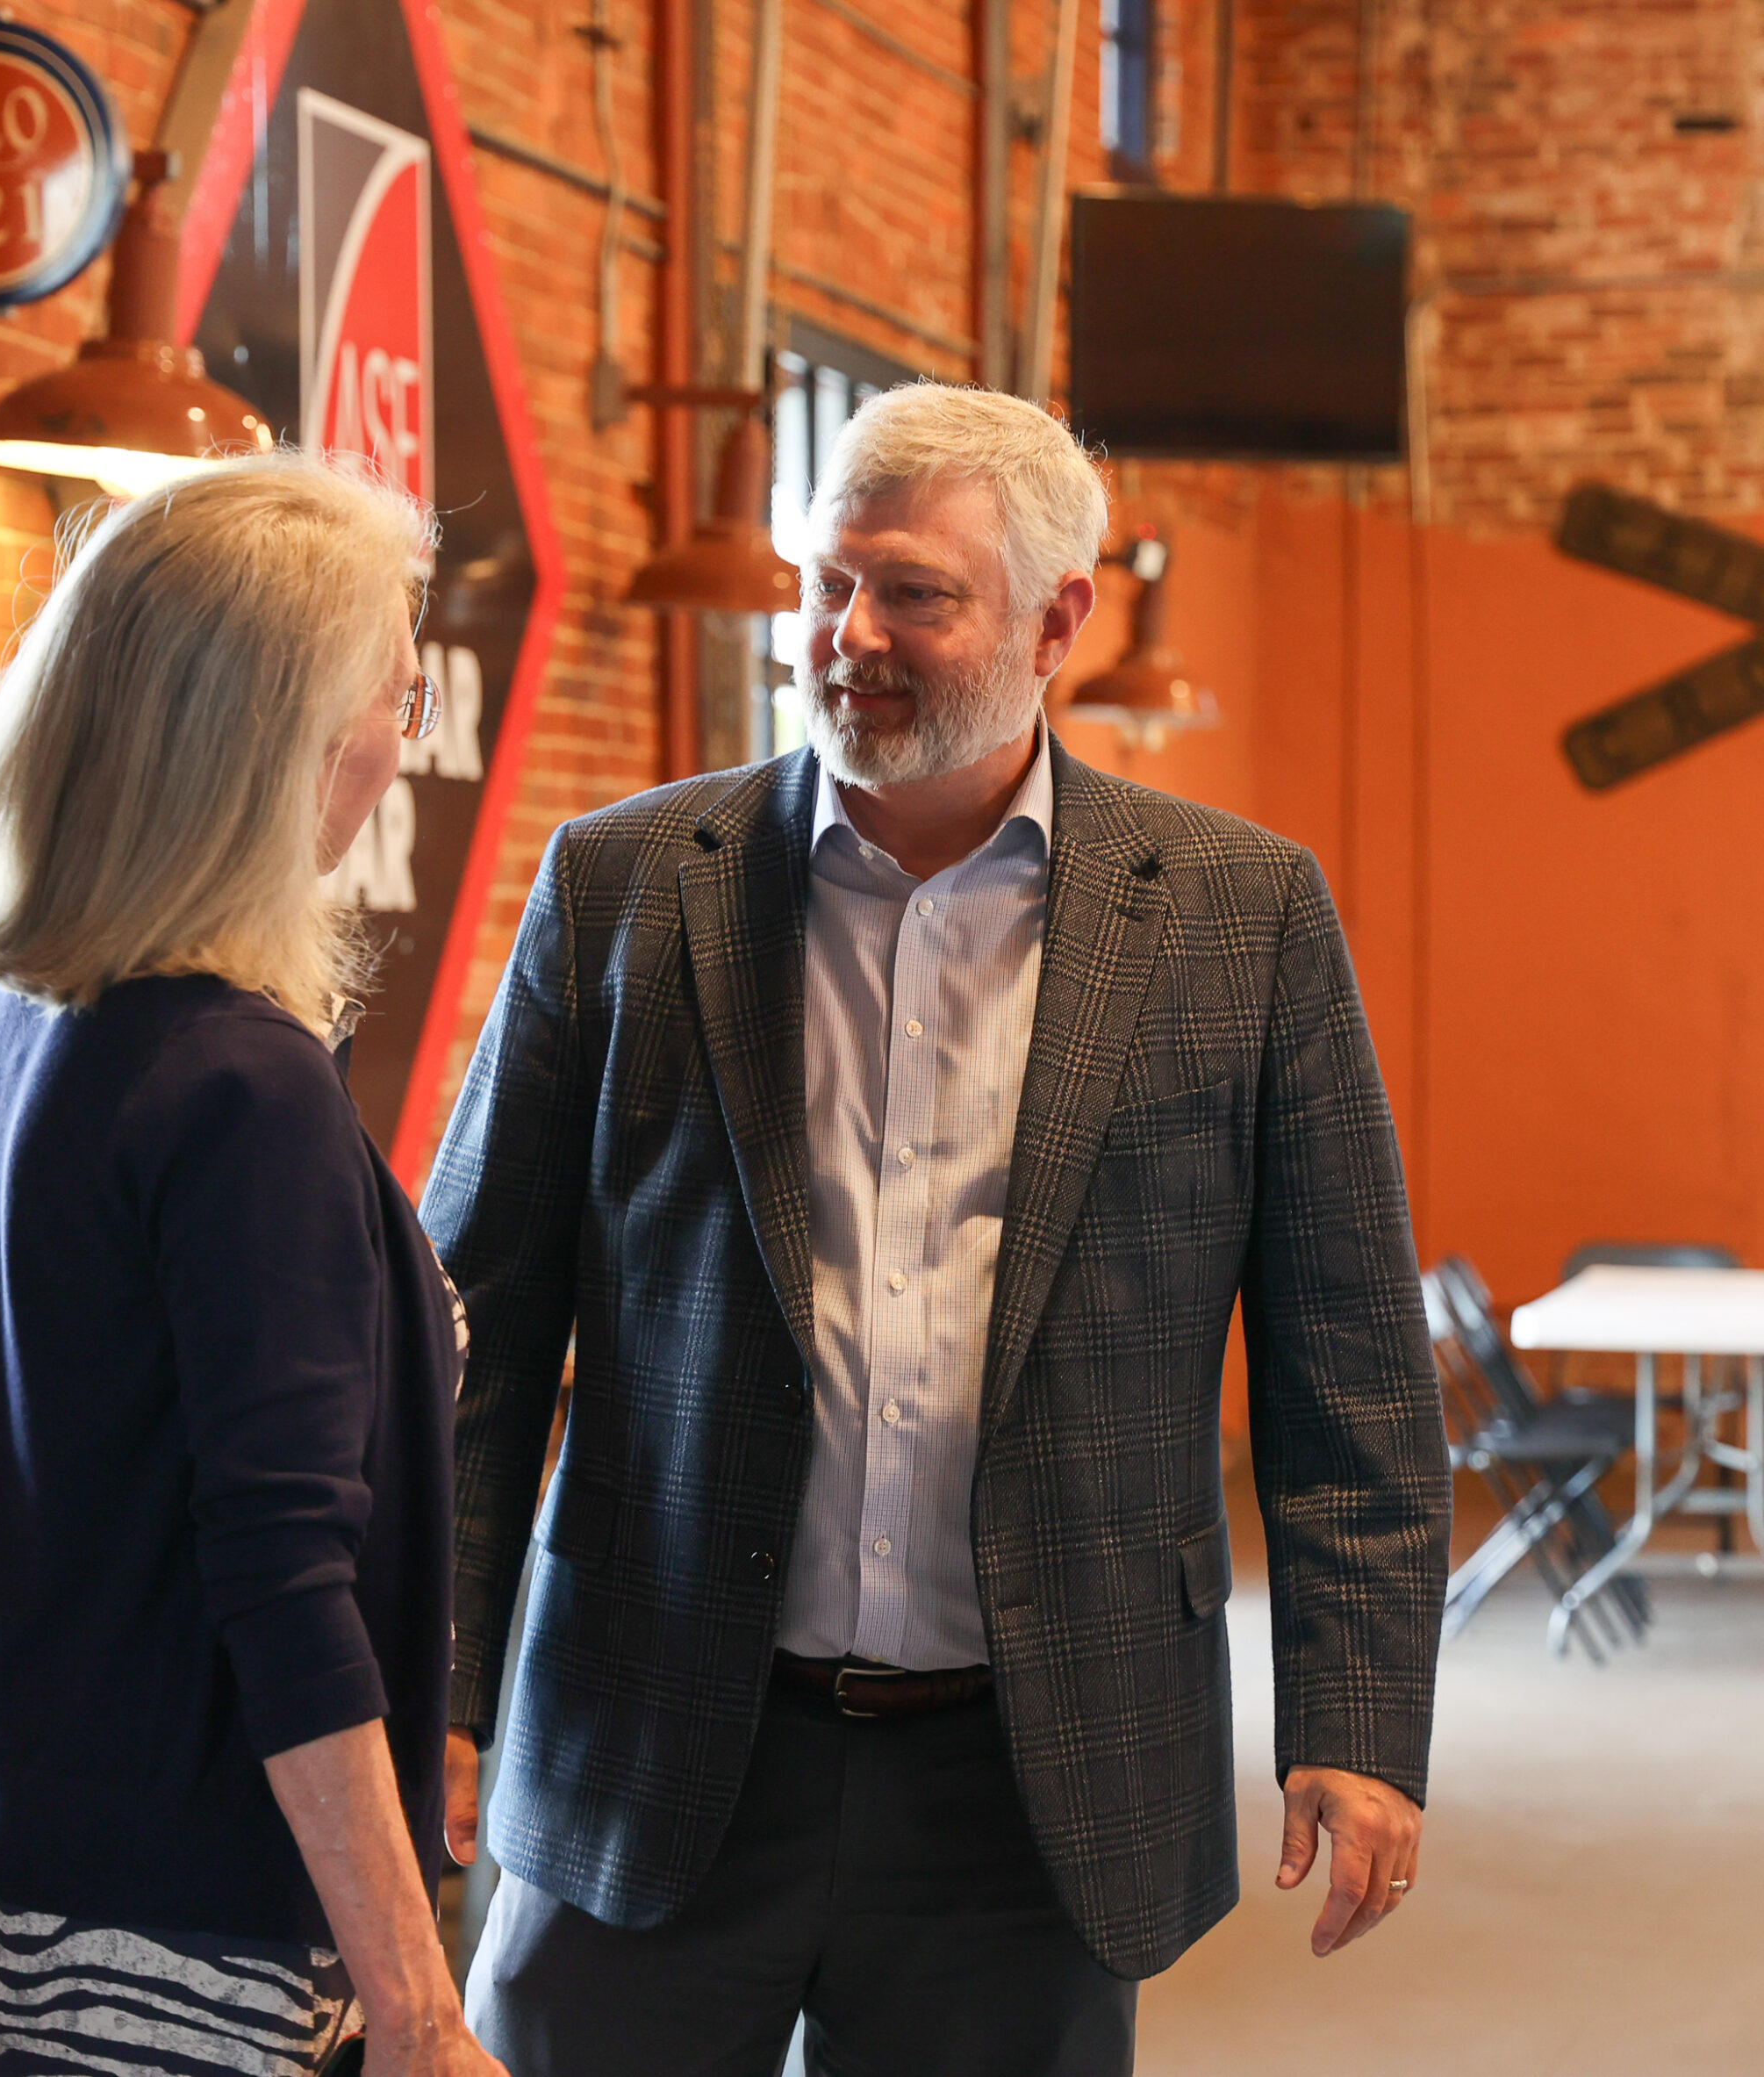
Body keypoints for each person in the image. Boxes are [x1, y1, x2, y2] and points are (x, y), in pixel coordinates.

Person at [422, 384, 1452, 2077]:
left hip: (1030, 1781)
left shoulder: (1236, 915)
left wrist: (1357, 1723)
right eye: (826, 583)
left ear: (1062, 616)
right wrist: (440, 1675)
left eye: (914, 593)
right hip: (657, 1727)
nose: (850, 636)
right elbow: (472, 1330)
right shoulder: (623, 886)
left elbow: (1352, 1364)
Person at [0, 455, 506, 2077]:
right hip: (178, 1923)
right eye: (393, 693)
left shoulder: (21, 1013)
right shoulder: (243, 1084)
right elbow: (285, 1586)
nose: (405, 738)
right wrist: (425, 2013)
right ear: (276, 744)